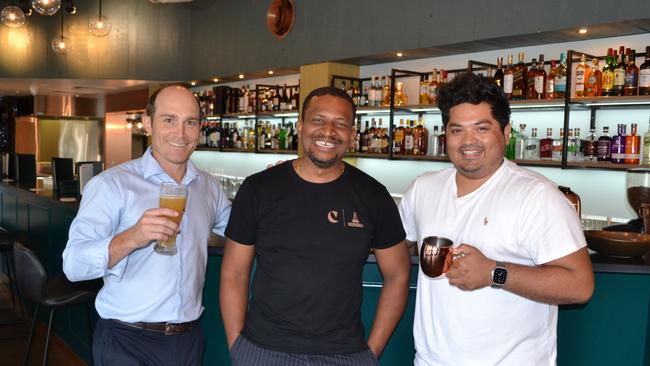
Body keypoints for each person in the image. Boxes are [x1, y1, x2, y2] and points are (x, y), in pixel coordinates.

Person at [399, 72, 594, 366]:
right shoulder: (422, 188)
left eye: (481, 128)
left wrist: (493, 272)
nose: (468, 141)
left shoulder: (537, 195)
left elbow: (579, 286)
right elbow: (399, 249)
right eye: (456, 130)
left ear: (505, 133)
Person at [220, 86, 411, 365]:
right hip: (263, 351)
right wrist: (237, 346)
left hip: (345, 355)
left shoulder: (373, 195)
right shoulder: (258, 189)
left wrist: (371, 354)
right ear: (300, 126)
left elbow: (398, 275)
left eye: (341, 124)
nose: (329, 131)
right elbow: (234, 273)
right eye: (318, 120)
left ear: (352, 133)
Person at [62, 85, 231, 366]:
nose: (181, 133)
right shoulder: (111, 185)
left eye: (190, 122)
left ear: (200, 128)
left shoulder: (208, 187)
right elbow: (73, 266)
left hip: (187, 340)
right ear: (147, 123)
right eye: (169, 120)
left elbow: (240, 229)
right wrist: (133, 237)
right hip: (126, 341)